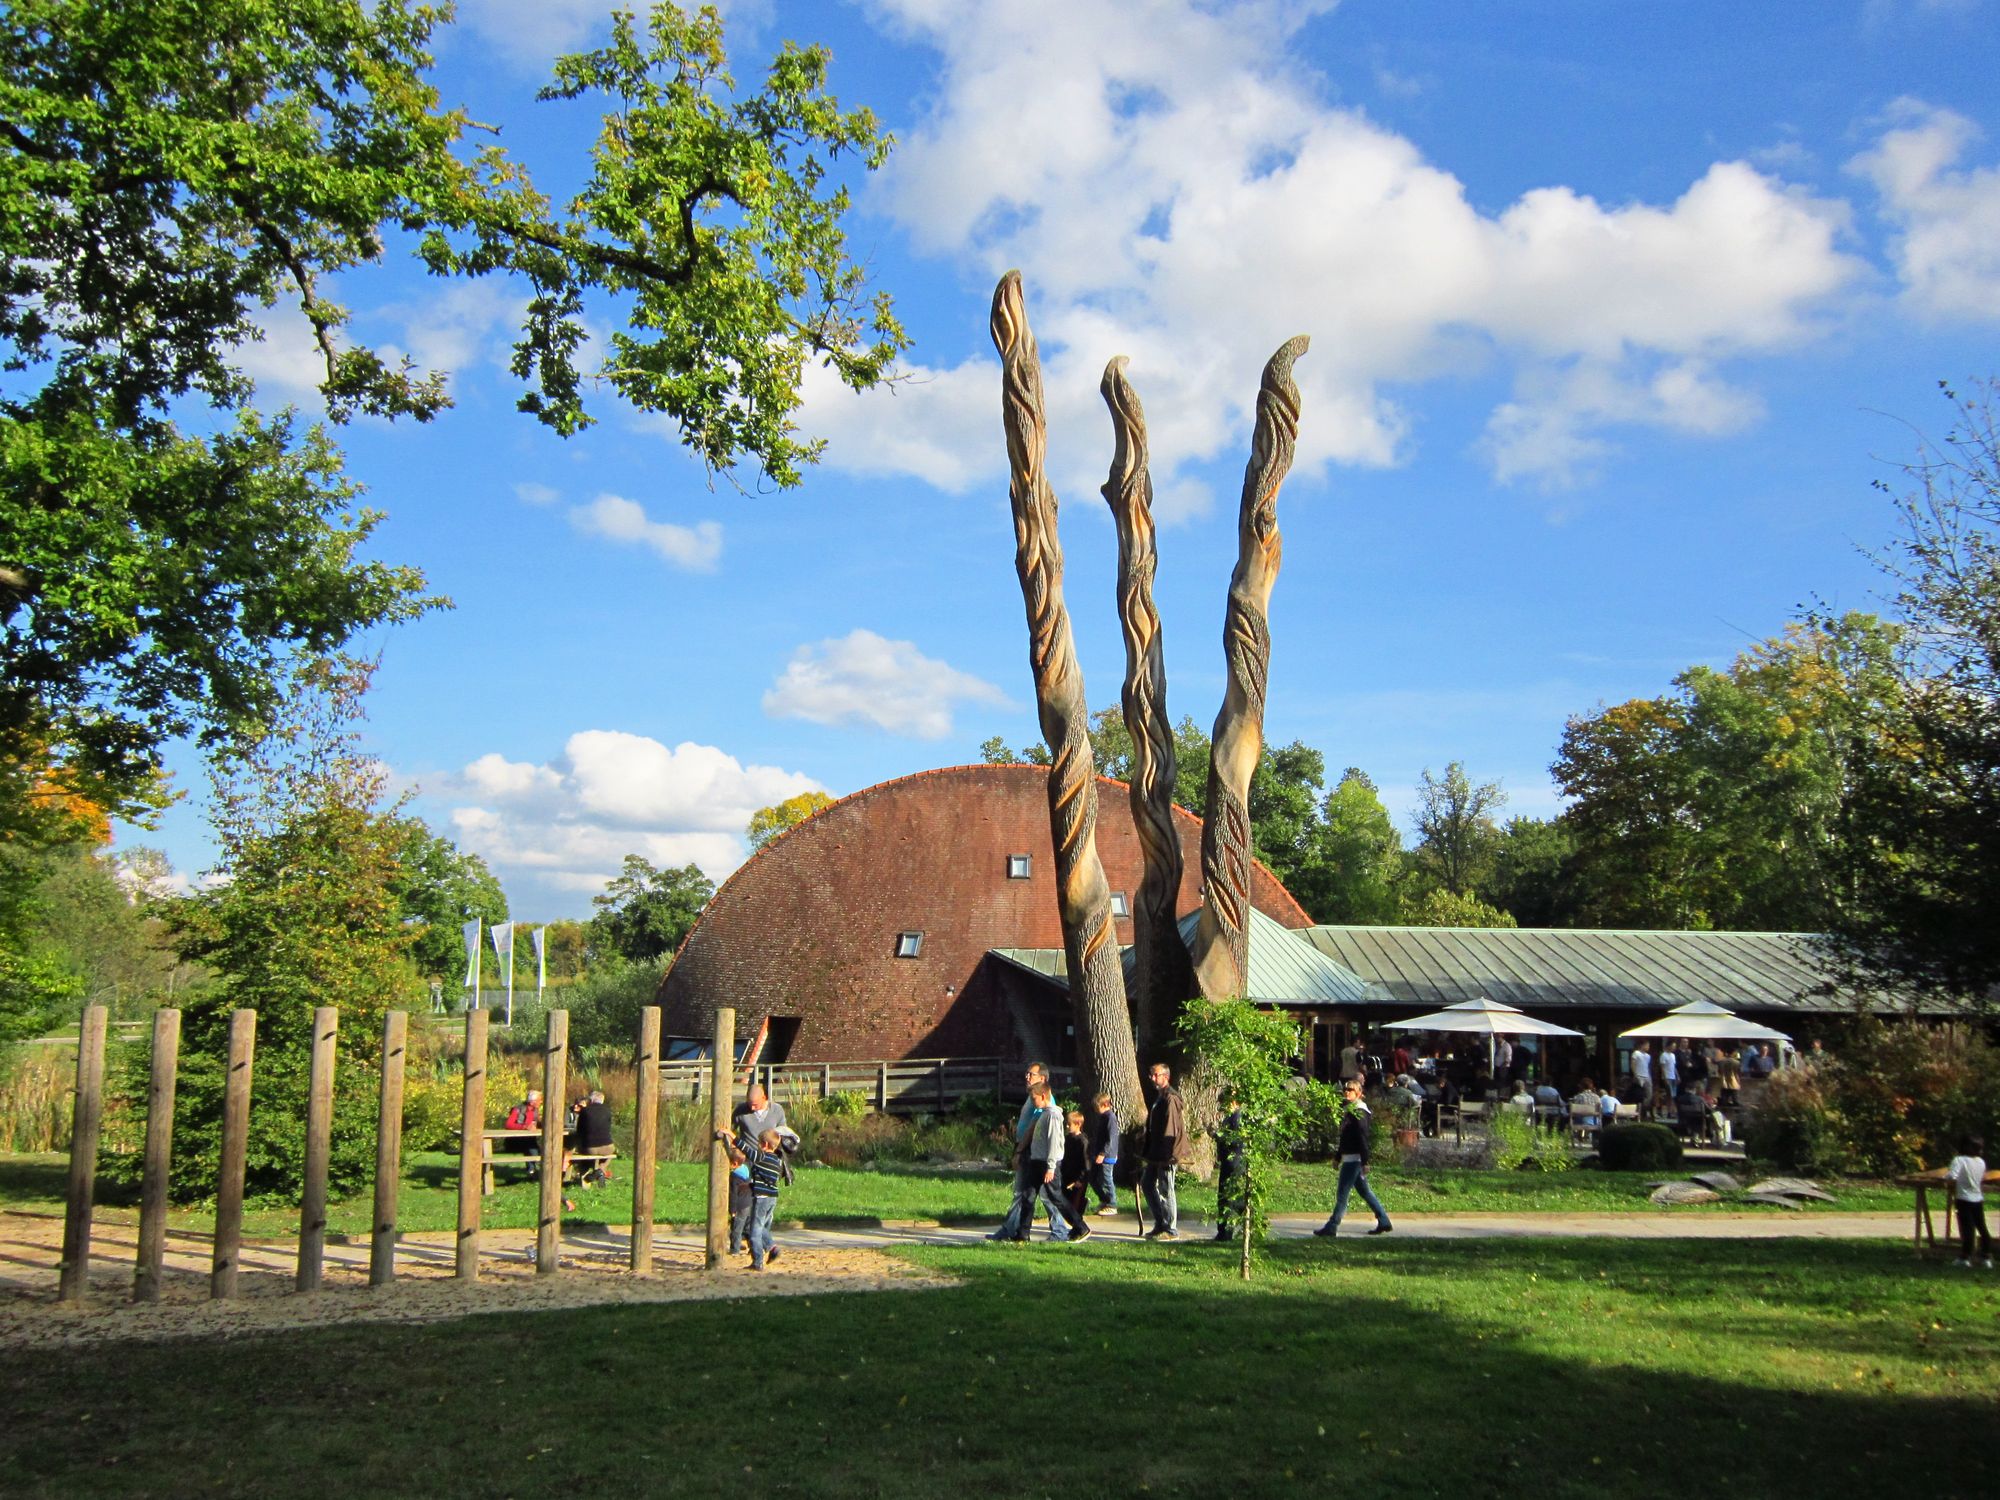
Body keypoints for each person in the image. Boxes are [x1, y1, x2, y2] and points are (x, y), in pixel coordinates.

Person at [1314, 1076, 1392, 1237]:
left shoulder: (1359, 1113)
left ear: (1359, 1093)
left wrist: (1365, 1161)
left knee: (1342, 1194)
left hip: (1354, 1160)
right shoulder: (1350, 1110)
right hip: (1351, 1158)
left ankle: (1332, 1226)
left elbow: (1362, 1137)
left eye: (1351, 1090)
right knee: (1365, 1192)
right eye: (1346, 1089)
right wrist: (1337, 1157)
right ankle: (1384, 1220)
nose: (1347, 1092)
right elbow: (1345, 1138)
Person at [989, 1061, 1052, 1242]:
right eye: (1027, 1073)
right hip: (1025, 1149)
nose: (1027, 1077)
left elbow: (1033, 1128)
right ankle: (1012, 1229)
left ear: (1042, 1078)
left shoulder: (1042, 1101)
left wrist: (1019, 1150)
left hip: (1031, 1151)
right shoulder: (1032, 1096)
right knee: (1026, 1193)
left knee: (1043, 1195)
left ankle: (1061, 1229)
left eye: (1031, 1074)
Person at [1025, 1081, 1091, 1243]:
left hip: (1047, 1165)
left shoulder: (1053, 1116)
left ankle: (1080, 1227)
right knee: (1028, 1196)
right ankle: (1021, 1233)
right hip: (1037, 1162)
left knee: (1056, 1197)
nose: (1033, 1102)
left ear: (1043, 1096)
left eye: (1034, 1099)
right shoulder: (1043, 1114)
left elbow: (1054, 1143)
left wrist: (1051, 1167)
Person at [1141, 1061, 1185, 1240]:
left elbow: (1171, 1129)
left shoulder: (1170, 1098)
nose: (1152, 1078)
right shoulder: (1160, 1097)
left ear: (1166, 1077)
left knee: (1166, 1188)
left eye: (1156, 1075)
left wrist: (1167, 1155)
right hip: (1155, 1151)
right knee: (1147, 1183)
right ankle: (1160, 1222)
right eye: (1151, 1075)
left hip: (1166, 1153)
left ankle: (1170, 1228)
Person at [1947, 1135, 1992, 1270]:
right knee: (1982, 1227)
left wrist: (1945, 1178)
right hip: (1977, 1198)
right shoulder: (1981, 1162)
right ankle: (1986, 1256)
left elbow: (1952, 1176)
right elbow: (1982, 1177)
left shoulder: (1959, 1160)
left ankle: (1965, 1257)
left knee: (1967, 1229)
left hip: (1963, 1198)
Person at [1214, 1089, 1248, 1243]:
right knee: (1224, 1197)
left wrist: (1217, 1135)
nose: (1222, 1106)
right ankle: (1222, 1232)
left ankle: (1227, 1232)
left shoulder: (1237, 1117)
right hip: (1228, 1160)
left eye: (1224, 1102)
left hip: (1235, 1161)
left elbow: (1237, 1140)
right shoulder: (1230, 1117)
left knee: (1229, 1198)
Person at [1084, 1091, 1119, 1215]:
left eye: (1096, 1107)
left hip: (1107, 1155)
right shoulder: (1102, 1118)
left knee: (1106, 1179)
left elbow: (1111, 1139)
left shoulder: (1110, 1118)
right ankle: (1104, 1199)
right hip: (1098, 1154)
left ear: (1105, 1105)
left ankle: (1112, 1204)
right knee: (1093, 1179)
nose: (1095, 1110)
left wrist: (1103, 1153)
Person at [1060, 1110, 1091, 1227]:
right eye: (1066, 1124)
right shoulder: (1067, 1139)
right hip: (1067, 1174)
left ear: (1078, 1124)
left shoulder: (1082, 1141)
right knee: (1066, 1199)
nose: (1067, 1127)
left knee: (1075, 1202)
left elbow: (1086, 1163)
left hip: (1078, 1178)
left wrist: (1081, 1179)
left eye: (1069, 1124)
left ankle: (1077, 1223)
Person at [1630, 1042, 1655, 1120]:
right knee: (1639, 1095)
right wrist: (1635, 1075)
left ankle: (1644, 1109)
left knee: (1649, 1095)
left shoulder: (1648, 1056)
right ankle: (1638, 1111)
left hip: (1647, 1076)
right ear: (1642, 1045)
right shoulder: (1636, 1053)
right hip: (1639, 1076)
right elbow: (1633, 1064)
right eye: (1647, 1045)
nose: (1648, 1047)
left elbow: (1647, 1067)